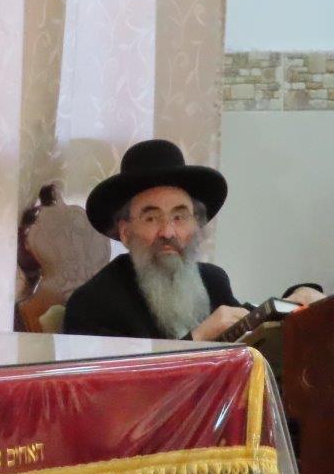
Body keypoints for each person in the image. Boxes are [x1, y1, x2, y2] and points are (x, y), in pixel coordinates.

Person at [63, 139, 323, 340]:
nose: (168, 232)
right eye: (151, 218)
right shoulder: (92, 304)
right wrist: (198, 339)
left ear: (196, 224)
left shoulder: (212, 281)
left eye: (179, 217)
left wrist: (297, 301)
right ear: (126, 232)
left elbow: (251, 329)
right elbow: (114, 387)